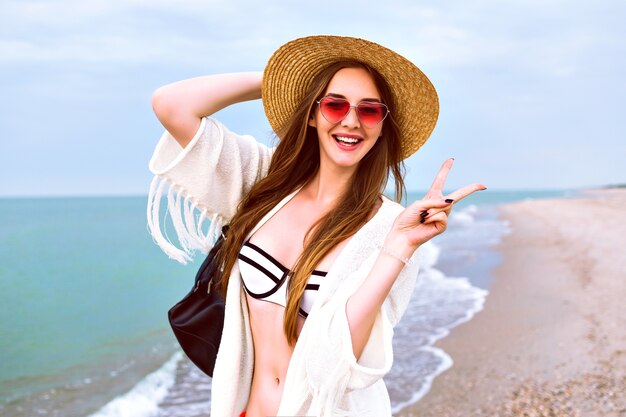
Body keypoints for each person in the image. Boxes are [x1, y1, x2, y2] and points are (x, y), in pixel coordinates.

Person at [146, 35, 485, 417]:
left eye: (369, 111)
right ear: (311, 112)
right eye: (334, 104)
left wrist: (400, 247)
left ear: (381, 127)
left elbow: (339, 364)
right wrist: (283, 80)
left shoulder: (391, 227)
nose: (351, 121)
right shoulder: (264, 182)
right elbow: (172, 105)